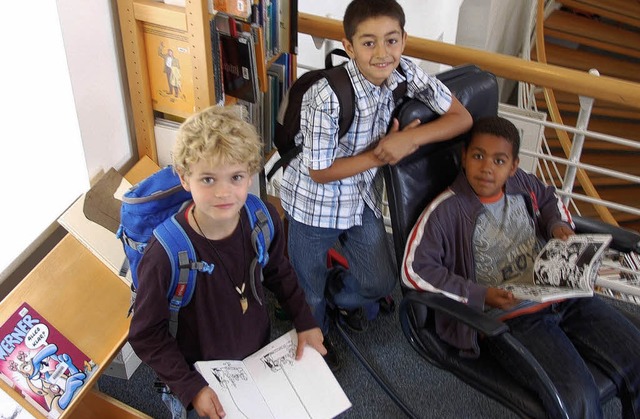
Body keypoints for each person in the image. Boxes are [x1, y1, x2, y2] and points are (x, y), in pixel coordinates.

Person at [402, 115, 640, 418]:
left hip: (560, 295)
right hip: (513, 318)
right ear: (464, 157)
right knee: (576, 396)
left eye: (499, 161)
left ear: (513, 165)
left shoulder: (521, 183)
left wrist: (556, 226)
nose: (487, 167)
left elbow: (550, 199)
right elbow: (415, 268)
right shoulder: (446, 210)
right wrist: (480, 294)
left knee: (636, 355)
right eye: (478, 156)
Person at [279, 0, 473, 366]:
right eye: (369, 43)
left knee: (379, 282)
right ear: (349, 46)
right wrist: (381, 154)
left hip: (360, 197)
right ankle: (315, 347)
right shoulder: (326, 97)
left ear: (404, 39)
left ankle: (336, 295)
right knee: (309, 292)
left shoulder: (405, 72)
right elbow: (319, 171)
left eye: (391, 40)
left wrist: (411, 140)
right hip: (313, 204)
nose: (382, 53)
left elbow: (459, 117)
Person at [128, 106, 325, 419]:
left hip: (254, 357)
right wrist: (190, 387)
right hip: (198, 376)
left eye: (235, 177)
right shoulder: (165, 254)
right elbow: (145, 333)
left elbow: (279, 272)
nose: (224, 192)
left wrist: (305, 320)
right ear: (184, 178)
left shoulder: (263, 218)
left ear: (250, 174)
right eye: (207, 179)